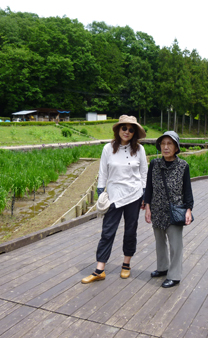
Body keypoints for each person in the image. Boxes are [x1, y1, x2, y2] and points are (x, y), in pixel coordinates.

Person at [81, 115, 147, 284]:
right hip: (114, 195)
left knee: (130, 231)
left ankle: (126, 264)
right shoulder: (108, 148)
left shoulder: (139, 150)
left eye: (131, 129)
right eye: (124, 128)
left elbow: (144, 174)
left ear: (135, 133)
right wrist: (101, 192)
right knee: (108, 231)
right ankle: (99, 270)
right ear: (118, 129)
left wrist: (145, 195)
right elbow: (103, 172)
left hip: (134, 195)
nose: (127, 132)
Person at [144, 131, 193, 288]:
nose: (165, 147)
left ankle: (175, 275)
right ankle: (162, 268)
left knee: (175, 245)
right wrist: (147, 207)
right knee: (160, 242)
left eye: (169, 144)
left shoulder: (183, 166)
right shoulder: (154, 164)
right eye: (163, 144)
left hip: (174, 210)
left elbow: (187, 191)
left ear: (176, 147)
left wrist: (188, 209)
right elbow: (149, 188)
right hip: (157, 209)